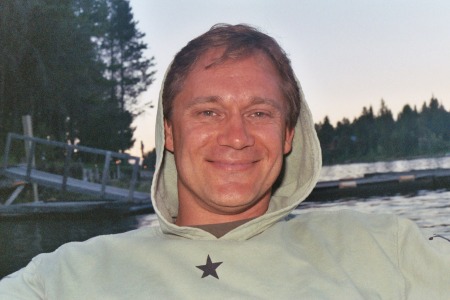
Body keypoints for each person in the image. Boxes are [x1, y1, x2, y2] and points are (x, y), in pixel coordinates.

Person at [1, 23, 450, 299]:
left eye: (259, 113)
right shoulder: (61, 279)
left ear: (289, 134)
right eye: (208, 112)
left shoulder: (387, 247)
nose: (236, 137)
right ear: (170, 133)